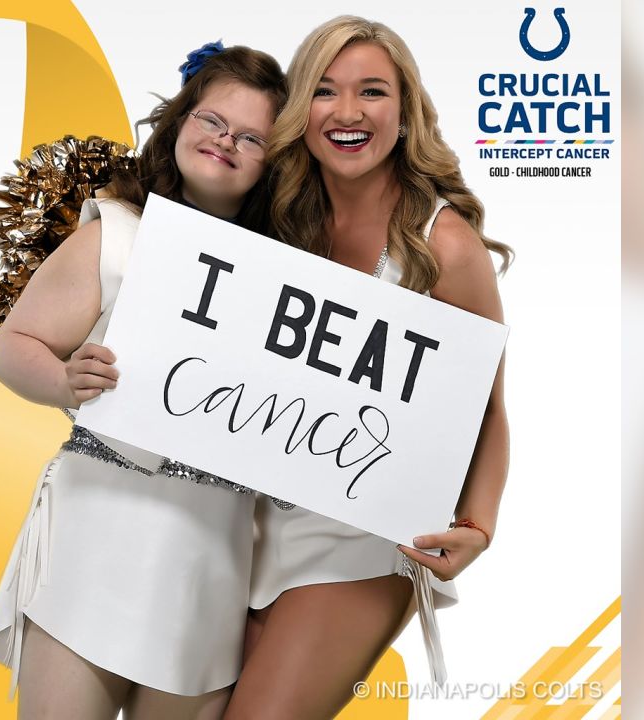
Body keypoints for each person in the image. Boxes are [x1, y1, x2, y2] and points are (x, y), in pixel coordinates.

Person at [0, 43, 286, 720]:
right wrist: (62, 378)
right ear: (178, 125)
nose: (225, 141)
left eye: (252, 136)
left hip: (210, 556)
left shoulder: (288, 282)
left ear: (277, 160)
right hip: (95, 534)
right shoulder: (117, 234)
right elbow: (13, 347)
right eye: (212, 121)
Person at [226, 17, 513, 720]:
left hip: (364, 536)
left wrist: (478, 524)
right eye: (324, 90)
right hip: (249, 523)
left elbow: (487, 408)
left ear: (405, 110)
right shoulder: (276, 216)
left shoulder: (444, 246)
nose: (348, 112)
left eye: (372, 92)